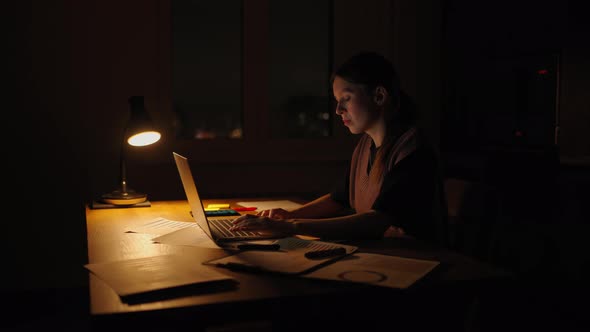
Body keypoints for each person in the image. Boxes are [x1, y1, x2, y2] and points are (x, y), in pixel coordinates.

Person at [230, 52, 447, 246]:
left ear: (379, 96)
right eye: (337, 101)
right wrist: (286, 216)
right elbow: (338, 199)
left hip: (415, 260)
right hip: (380, 252)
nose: (338, 110)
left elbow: (376, 220)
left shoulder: (413, 149)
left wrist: (292, 226)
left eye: (346, 98)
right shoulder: (365, 146)